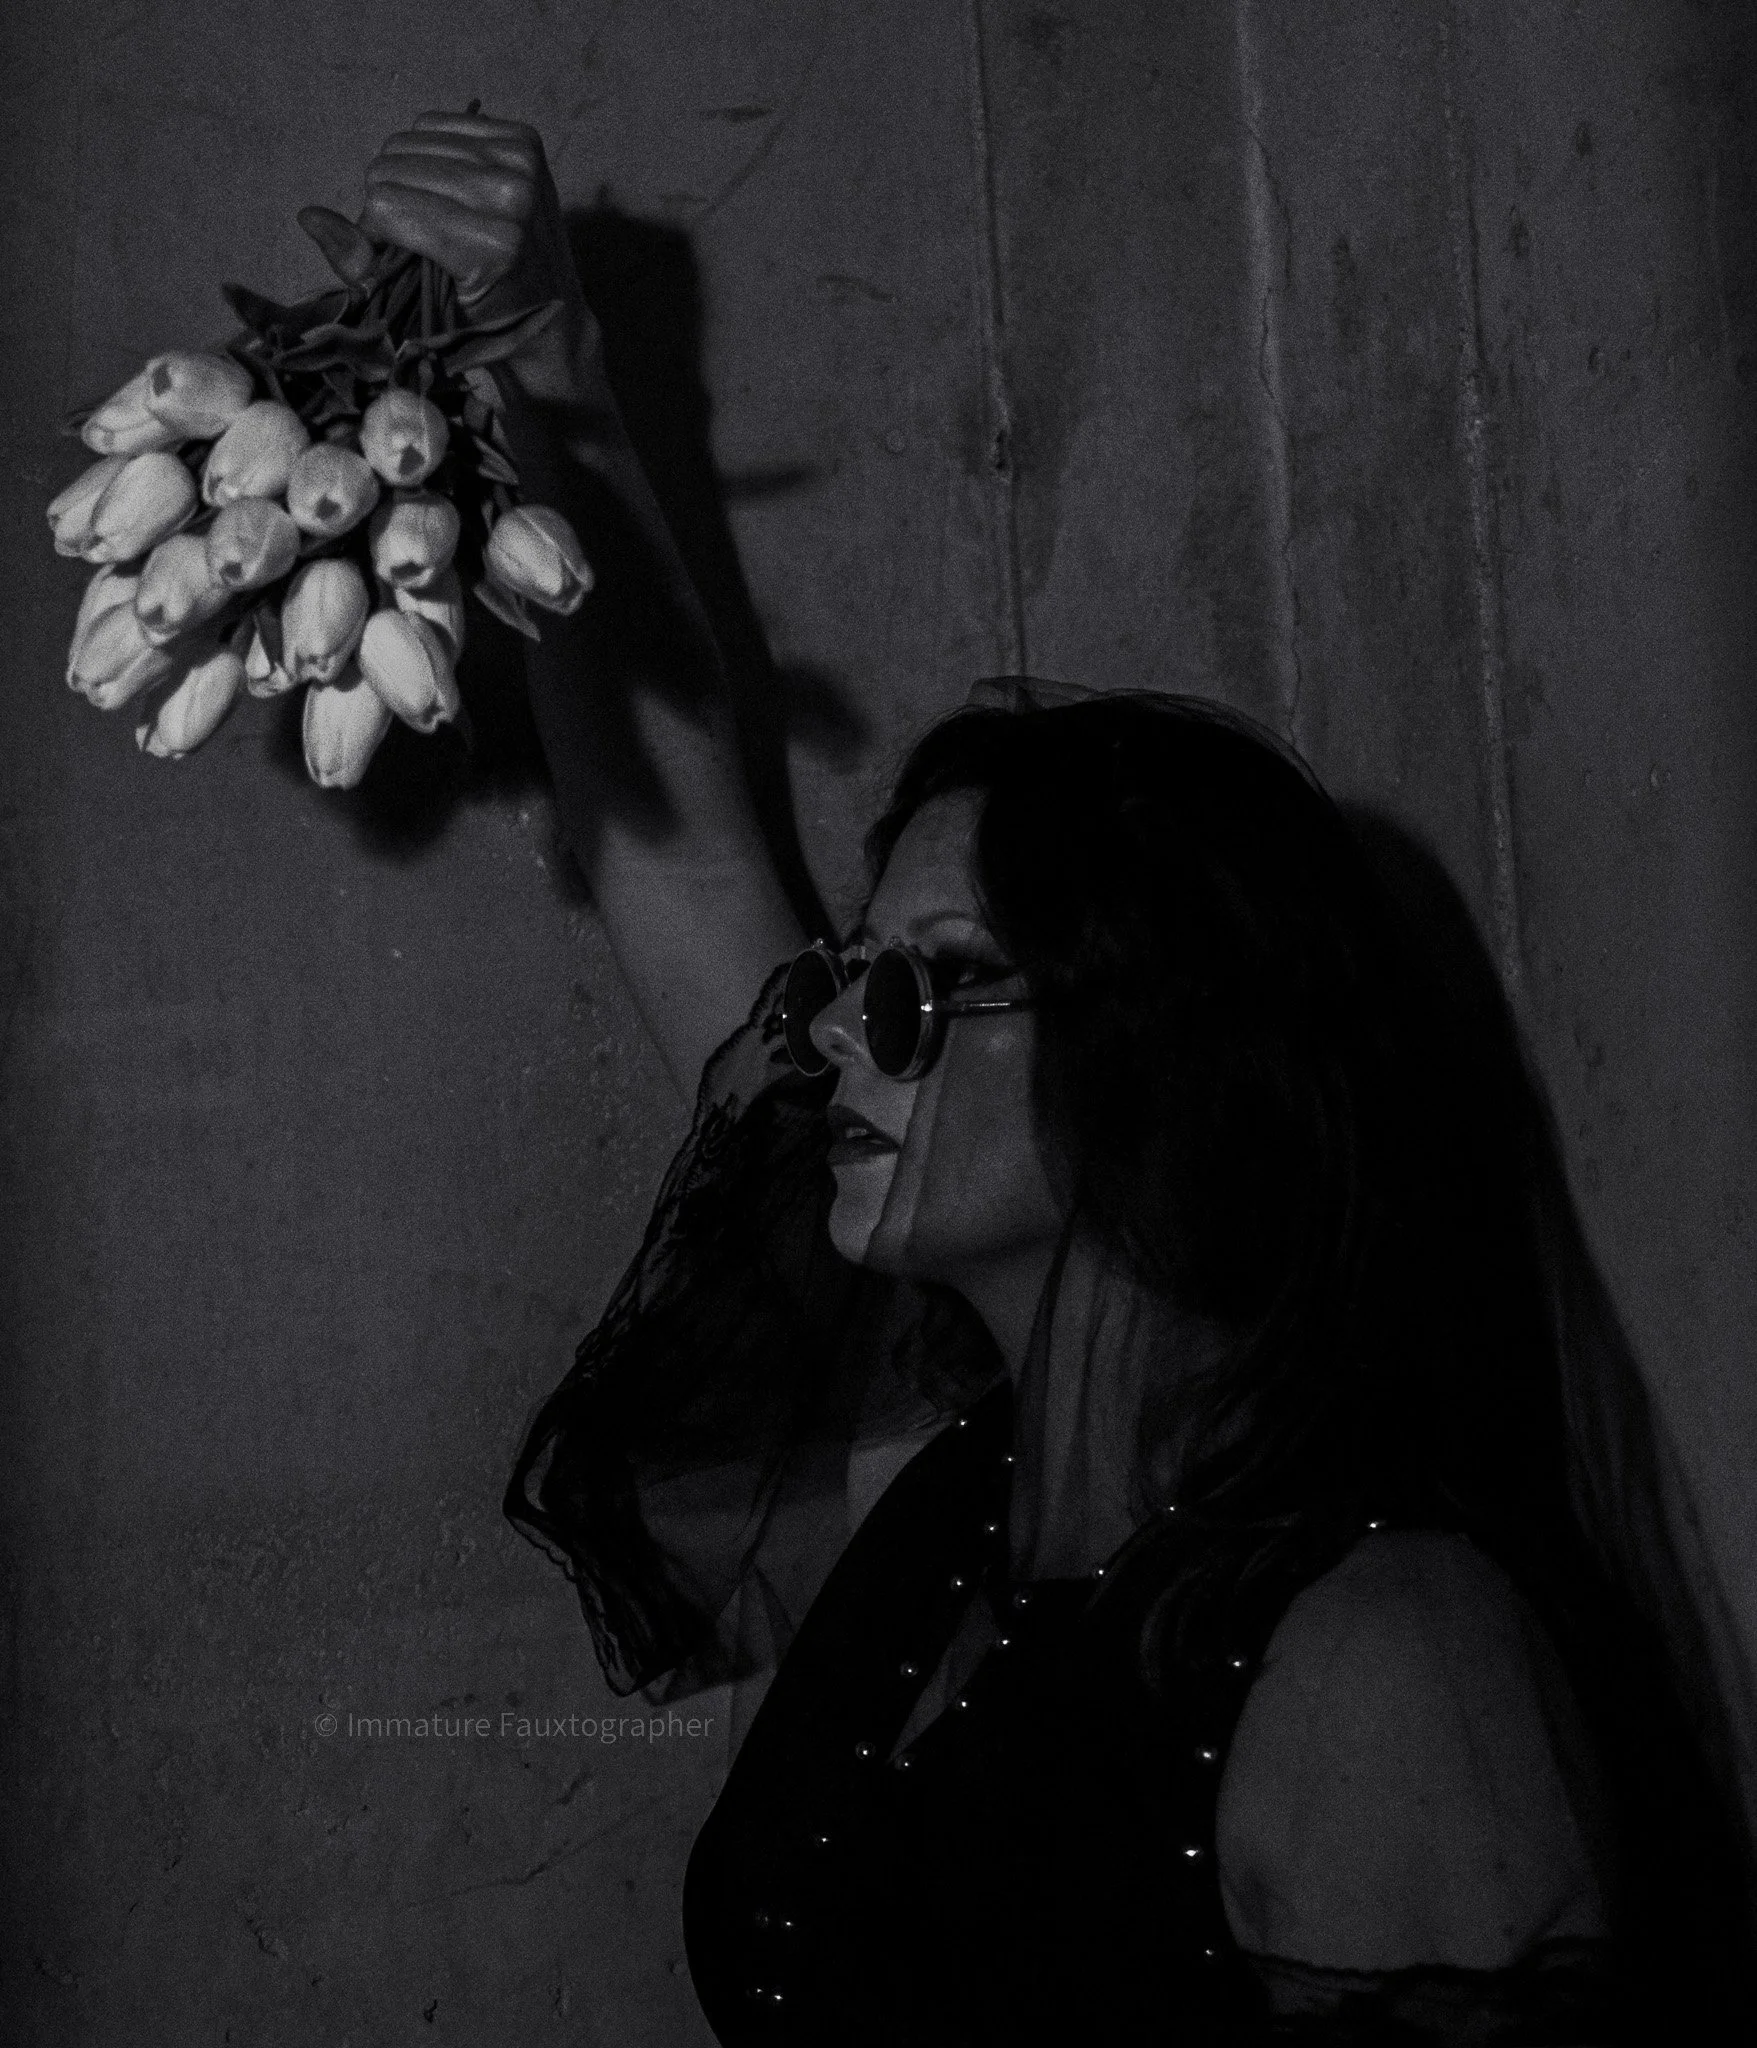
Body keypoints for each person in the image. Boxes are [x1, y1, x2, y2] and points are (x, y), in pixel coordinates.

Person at [359, 114, 1756, 2041]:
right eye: (857, 977)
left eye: (929, 992)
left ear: (1156, 1063)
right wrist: (548, 370)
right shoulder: (942, 1501)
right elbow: (673, 852)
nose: (834, 1031)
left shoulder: (1394, 1657)